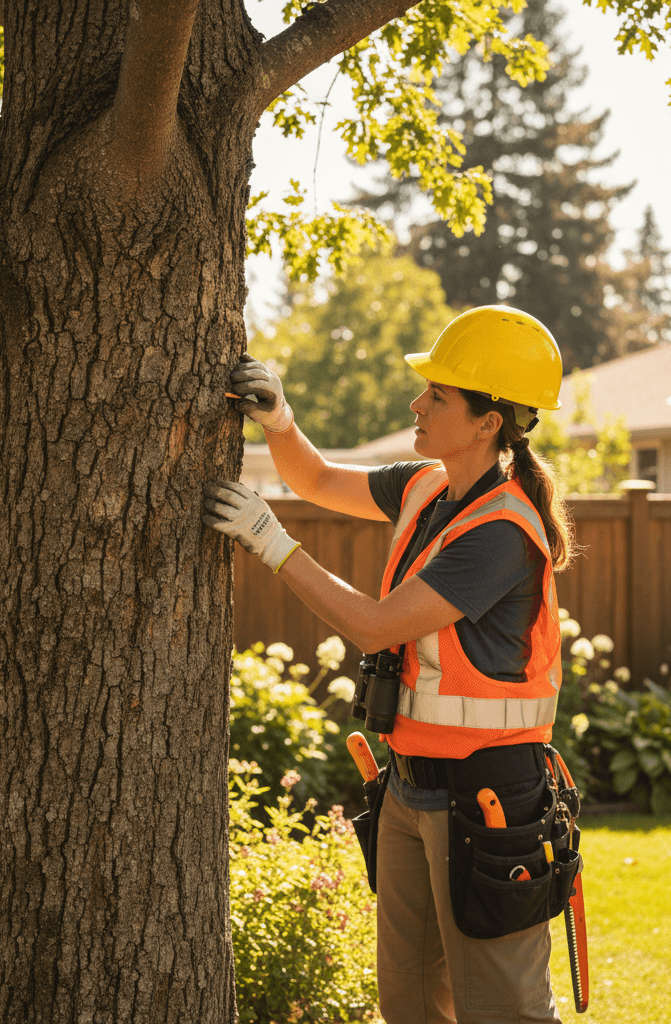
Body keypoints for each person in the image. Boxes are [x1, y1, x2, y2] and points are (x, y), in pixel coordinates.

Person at [203, 305, 576, 1024]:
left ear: (487, 421)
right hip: (409, 788)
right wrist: (281, 423)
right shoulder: (425, 488)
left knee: (502, 1009)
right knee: (408, 1003)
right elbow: (313, 479)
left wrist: (269, 542)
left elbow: (372, 623)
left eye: (437, 394)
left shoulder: (500, 533)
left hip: (489, 799)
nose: (418, 402)